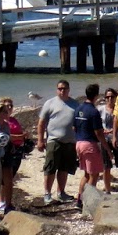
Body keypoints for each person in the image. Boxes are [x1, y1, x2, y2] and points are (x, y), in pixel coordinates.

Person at [36, 78, 79, 206]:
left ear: (68, 90)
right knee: (50, 168)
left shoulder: (75, 104)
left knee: (64, 168)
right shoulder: (50, 103)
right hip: (54, 140)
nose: (62, 91)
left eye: (64, 89)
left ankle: (61, 192)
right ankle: (47, 194)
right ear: (57, 90)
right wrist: (40, 140)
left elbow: (79, 122)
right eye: (60, 89)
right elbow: (41, 123)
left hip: (70, 141)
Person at [73, 83, 110, 194]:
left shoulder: (78, 108)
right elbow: (98, 133)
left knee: (86, 174)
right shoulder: (94, 111)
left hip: (79, 143)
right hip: (89, 144)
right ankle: (87, 198)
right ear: (96, 95)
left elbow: (74, 127)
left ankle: (80, 198)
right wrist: (107, 149)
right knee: (94, 175)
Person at [0, 97, 29, 218]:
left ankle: (6, 202)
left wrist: (24, 138)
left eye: (11, 106)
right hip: (5, 150)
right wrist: (20, 136)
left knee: (10, 176)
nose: (9, 108)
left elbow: (17, 132)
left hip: (16, 150)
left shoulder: (13, 120)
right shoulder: (0, 122)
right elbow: (6, 136)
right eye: (7, 106)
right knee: (3, 178)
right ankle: (1, 202)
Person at [100, 88, 118, 191]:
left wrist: (114, 130)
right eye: (107, 97)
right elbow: (96, 123)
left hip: (117, 138)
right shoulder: (100, 110)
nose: (109, 99)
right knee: (106, 166)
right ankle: (107, 189)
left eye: (112, 97)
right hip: (104, 140)